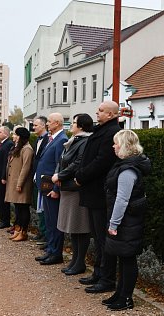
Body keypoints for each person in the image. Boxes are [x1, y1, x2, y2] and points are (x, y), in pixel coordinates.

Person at [75, 100, 121, 293]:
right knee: (96, 235)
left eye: (101, 110)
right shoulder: (101, 130)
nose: (97, 112)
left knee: (103, 237)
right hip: (92, 190)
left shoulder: (111, 132)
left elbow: (102, 161)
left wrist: (82, 175)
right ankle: (98, 272)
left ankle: (107, 278)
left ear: (110, 114)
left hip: (99, 191)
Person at [102, 130, 151, 310]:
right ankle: (120, 293)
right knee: (123, 258)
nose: (113, 146)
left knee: (128, 258)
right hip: (127, 219)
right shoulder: (125, 165)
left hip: (126, 221)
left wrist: (114, 224)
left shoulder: (128, 170)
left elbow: (122, 199)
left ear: (124, 145)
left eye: (116, 143)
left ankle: (126, 298)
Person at [52, 113, 93, 275]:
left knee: (79, 226)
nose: (71, 125)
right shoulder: (74, 140)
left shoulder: (85, 141)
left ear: (81, 126)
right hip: (67, 188)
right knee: (72, 227)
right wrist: (58, 175)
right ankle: (75, 261)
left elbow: (78, 162)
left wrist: (61, 176)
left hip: (76, 189)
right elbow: (62, 161)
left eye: (74, 122)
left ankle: (79, 262)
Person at [35, 113, 68, 265]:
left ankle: (56, 253)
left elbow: (59, 166)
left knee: (54, 221)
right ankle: (50, 249)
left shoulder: (62, 140)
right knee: (49, 220)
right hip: (45, 186)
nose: (47, 124)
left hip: (51, 187)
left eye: (48, 121)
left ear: (56, 123)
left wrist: (56, 188)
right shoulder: (52, 138)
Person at [4, 127, 34, 242]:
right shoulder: (19, 148)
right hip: (15, 182)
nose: (13, 137)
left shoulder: (27, 149)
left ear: (21, 136)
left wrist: (19, 183)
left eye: (16, 135)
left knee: (23, 208)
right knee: (18, 208)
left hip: (22, 184)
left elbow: (25, 168)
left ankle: (23, 231)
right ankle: (17, 230)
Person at [32, 116, 49, 247]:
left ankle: (46, 234)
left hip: (45, 178)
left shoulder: (48, 139)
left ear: (43, 126)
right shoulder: (37, 140)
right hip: (37, 176)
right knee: (39, 206)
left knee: (44, 207)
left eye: (36, 125)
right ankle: (42, 231)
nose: (33, 127)